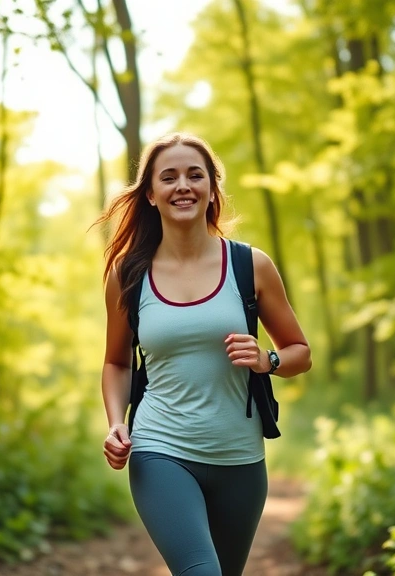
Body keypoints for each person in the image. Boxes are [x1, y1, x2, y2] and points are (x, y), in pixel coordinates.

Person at [96, 132, 311, 576]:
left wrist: (267, 360)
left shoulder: (250, 266)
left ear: (213, 188)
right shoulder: (129, 274)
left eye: (196, 175)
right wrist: (117, 423)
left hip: (240, 458)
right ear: (151, 194)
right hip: (161, 450)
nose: (183, 186)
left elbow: (300, 353)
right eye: (168, 177)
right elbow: (116, 362)